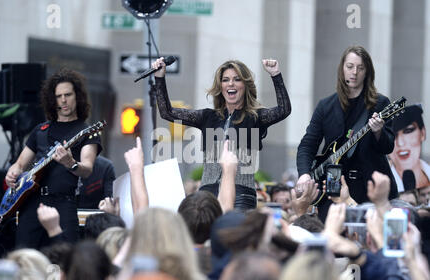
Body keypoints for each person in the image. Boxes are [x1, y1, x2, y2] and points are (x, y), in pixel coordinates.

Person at [153, 57, 291, 210]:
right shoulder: (207, 116)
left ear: (245, 85)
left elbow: (283, 110)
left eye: (237, 79)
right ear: (221, 87)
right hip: (208, 193)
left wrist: (275, 74)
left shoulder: (255, 117)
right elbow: (167, 112)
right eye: (225, 80)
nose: (230, 83)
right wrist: (160, 78)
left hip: (241, 193)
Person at [296, 45, 398, 222]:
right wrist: (305, 173)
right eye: (350, 66)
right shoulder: (326, 106)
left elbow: (388, 146)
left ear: (367, 72)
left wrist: (378, 132)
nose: (355, 72)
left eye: (360, 68)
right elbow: (308, 144)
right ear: (342, 68)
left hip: (369, 188)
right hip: (333, 186)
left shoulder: (380, 103)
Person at [4, 68, 101, 249]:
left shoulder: (87, 132)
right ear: (52, 99)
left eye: (68, 95)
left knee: (64, 258)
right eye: (58, 96)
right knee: (24, 257)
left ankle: (56, 279)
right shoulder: (40, 130)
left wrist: (70, 163)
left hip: (63, 203)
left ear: (77, 97)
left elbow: (87, 169)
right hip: (31, 202)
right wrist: (13, 172)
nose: (63, 100)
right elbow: (19, 164)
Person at [389, 104, 429, 192]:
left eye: (408, 131)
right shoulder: (377, 183)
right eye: (393, 135)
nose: (400, 143)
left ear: (422, 133)